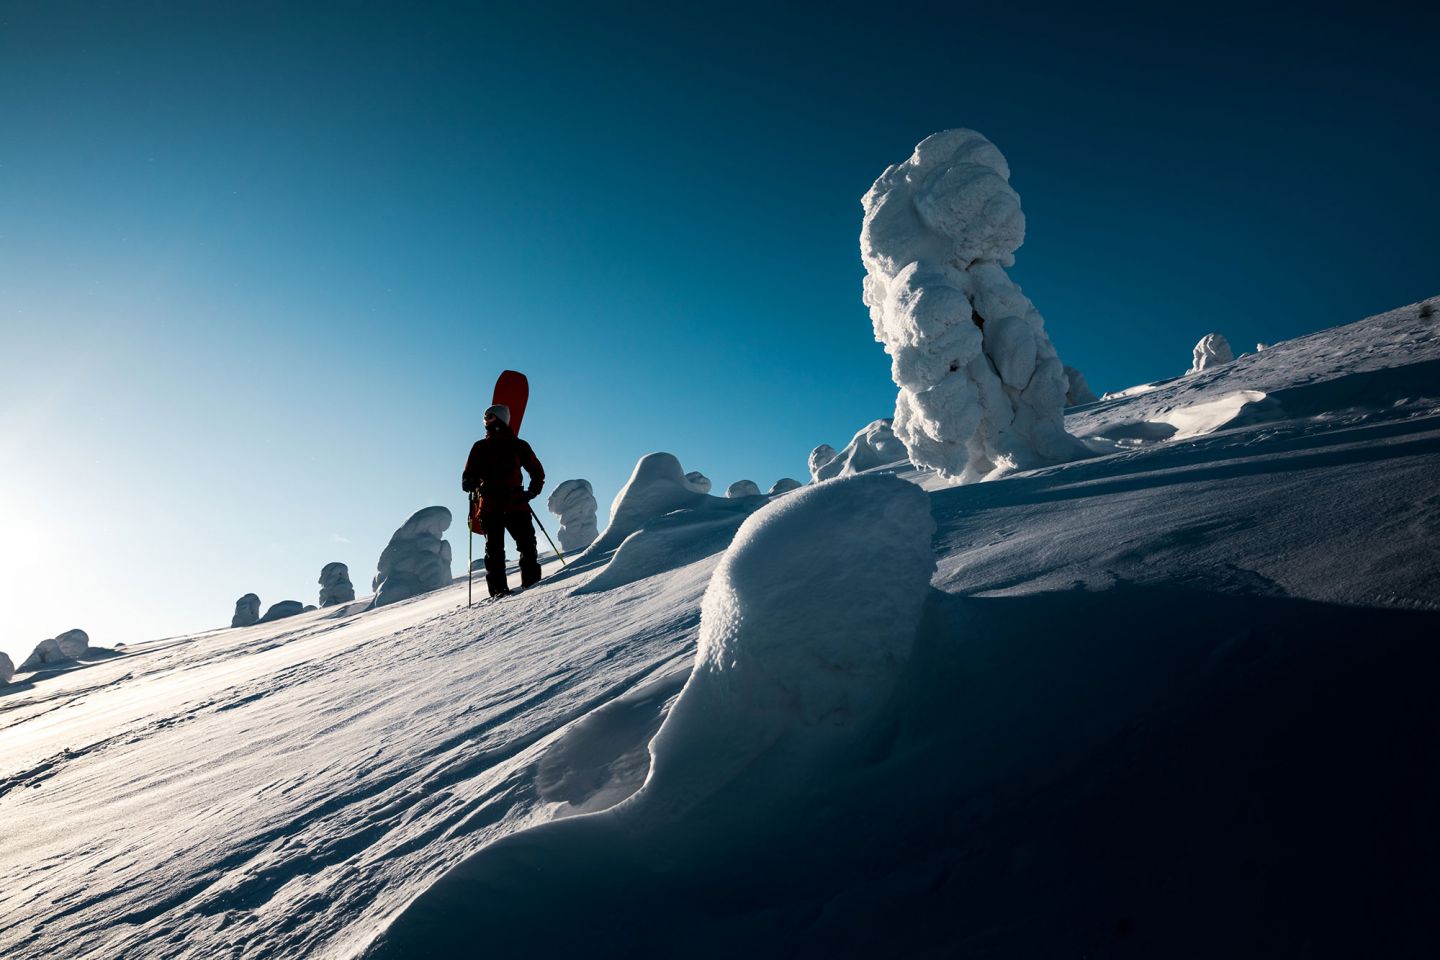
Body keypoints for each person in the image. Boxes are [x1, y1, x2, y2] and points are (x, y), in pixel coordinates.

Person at [461, 404, 545, 597]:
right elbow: (467, 477)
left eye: (490, 417)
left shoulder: (515, 445)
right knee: (501, 550)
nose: (486, 421)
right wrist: (469, 482)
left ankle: (528, 586)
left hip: (505, 504)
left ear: (500, 418)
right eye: (485, 418)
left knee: (520, 547)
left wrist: (531, 492)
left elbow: (537, 472)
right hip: (498, 505)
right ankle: (504, 590)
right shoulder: (483, 447)